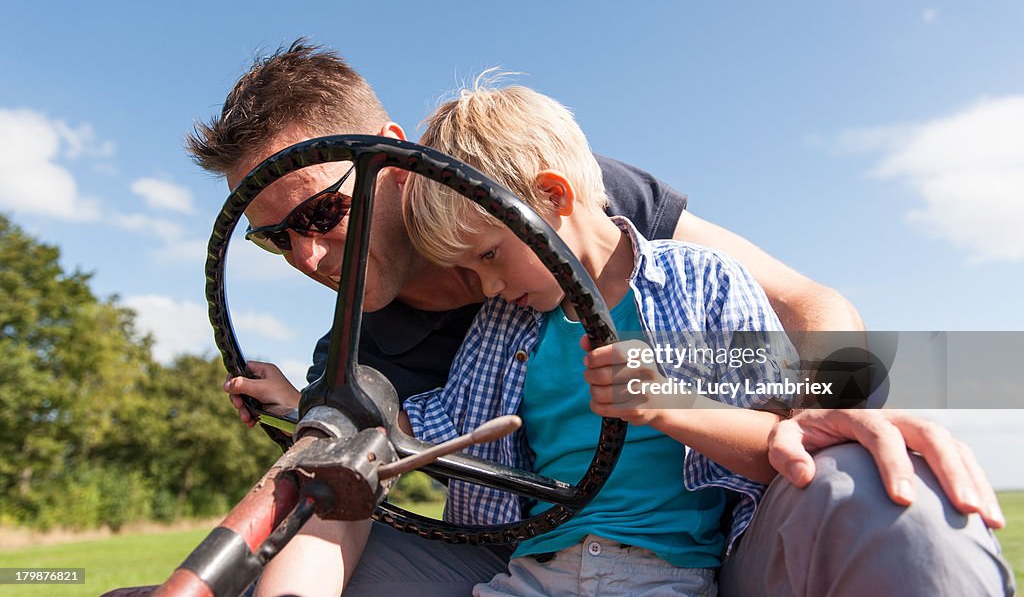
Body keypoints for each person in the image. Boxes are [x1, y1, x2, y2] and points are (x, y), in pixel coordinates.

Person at [180, 41, 1010, 596]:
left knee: (877, 489)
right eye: (270, 238)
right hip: (520, 554)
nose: (305, 257)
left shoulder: (585, 204)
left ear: (388, 156)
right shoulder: (363, 345)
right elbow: (342, 487)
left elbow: (807, 307)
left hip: (685, 539)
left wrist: (824, 412)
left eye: (321, 215)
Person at [394, 81, 800, 596]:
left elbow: (778, 441)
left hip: (660, 575)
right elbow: (444, 425)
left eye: (490, 255)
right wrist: (311, 407)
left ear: (553, 195)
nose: (488, 287)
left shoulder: (705, 282)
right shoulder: (503, 322)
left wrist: (666, 406)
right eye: (472, 271)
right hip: (533, 573)